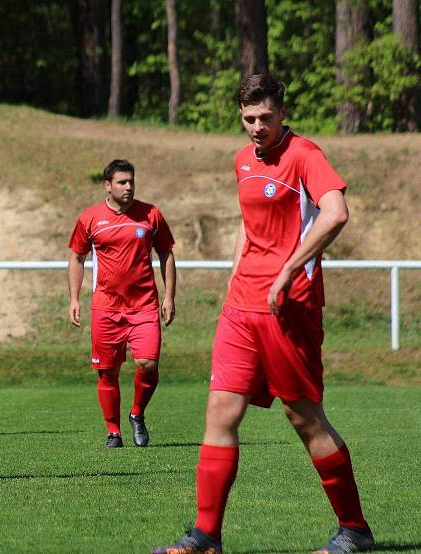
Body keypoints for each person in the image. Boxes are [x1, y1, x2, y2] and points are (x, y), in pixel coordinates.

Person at [153, 74, 373, 554]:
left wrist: (288, 270)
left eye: (266, 118)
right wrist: (235, 277)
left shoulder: (304, 155)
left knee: (303, 417)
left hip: (287, 308)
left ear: (282, 112)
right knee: (220, 413)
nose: (257, 127)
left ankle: (354, 530)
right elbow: (249, 225)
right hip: (242, 309)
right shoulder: (242, 159)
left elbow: (336, 212)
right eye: (249, 119)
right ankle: (206, 536)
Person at [68, 159, 176, 448]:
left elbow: (166, 253)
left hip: (144, 306)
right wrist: (74, 299)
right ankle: (113, 432)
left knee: (148, 363)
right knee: (107, 372)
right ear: (107, 185)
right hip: (106, 307)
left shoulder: (150, 215)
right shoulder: (90, 219)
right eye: (121, 182)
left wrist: (169, 296)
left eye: (131, 182)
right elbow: (77, 257)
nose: (128, 187)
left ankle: (137, 413)